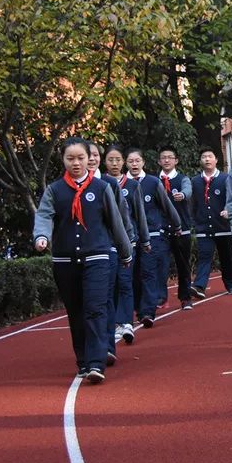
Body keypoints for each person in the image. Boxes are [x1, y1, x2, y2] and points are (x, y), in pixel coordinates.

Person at [34, 137, 133, 384]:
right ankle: (82, 360)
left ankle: (96, 362)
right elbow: (44, 215)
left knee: (96, 309)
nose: (76, 163)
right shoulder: (54, 190)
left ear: (89, 159)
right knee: (76, 311)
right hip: (65, 260)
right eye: (70, 158)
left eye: (81, 158)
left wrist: (125, 251)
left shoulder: (101, 188)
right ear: (63, 160)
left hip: (97, 257)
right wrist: (42, 236)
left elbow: (115, 221)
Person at [89, 143, 136, 367]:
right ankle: (88, 351)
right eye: (86, 155)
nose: (90, 159)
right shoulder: (63, 188)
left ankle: (107, 347)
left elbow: (121, 218)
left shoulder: (108, 184)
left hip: (107, 251)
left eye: (94, 155)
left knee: (106, 299)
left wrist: (127, 245)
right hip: (78, 256)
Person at [125, 148, 182, 327]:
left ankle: (148, 312)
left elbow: (166, 205)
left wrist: (176, 224)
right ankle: (137, 306)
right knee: (133, 275)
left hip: (153, 235)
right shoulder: (120, 184)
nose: (134, 164)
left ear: (143, 162)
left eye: (137, 161)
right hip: (130, 238)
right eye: (130, 161)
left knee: (149, 273)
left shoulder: (152, 182)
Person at [104, 144, 149, 345]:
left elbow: (139, 215)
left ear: (123, 162)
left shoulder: (132, 186)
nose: (114, 163)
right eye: (110, 159)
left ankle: (126, 322)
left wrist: (143, 239)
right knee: (110, 285)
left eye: (117, 159)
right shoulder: (101, 184)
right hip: (106, 245)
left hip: (128, 242)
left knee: (125, 281)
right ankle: (114, 323)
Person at [191, 147, 232, 298]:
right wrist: (194, 220)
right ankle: (199, 286)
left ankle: (230, 284)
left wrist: (228, 210)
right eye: (204, 157)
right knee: (204, 256)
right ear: (200, 160)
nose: (207, 159)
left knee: (227, 258)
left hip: (223, 226)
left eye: (210, 156)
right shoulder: (195, 181)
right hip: (203, 227)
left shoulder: (225, 178)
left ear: (216, 160)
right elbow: (193, 204)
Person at [159, 147, 194, 309]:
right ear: (159, 161)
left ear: (176, 161)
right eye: (163, 158)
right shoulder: (154, 181)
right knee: (161, 265)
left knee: (183, 265)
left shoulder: (183, 179)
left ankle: (185, 297)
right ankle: (160, 297)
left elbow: (188, 190)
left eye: (170, 157)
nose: (167, 160)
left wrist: (183, 195)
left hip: (182, 229)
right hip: (161, 231)